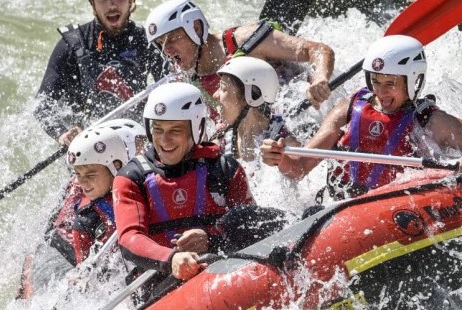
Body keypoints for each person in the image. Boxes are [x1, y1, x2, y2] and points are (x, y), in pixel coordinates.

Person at [261, 34, 462, 200]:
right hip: (342, 210)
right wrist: (280, 158)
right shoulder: (348, 110)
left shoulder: (433, 123)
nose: (381, 91)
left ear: (413, 81)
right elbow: (298, 168)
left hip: (400, 212)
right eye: (375, 81)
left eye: (390, 83)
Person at [114, 83, 288, 282]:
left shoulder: (224, 168)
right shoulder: (131, 178)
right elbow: (129, 239)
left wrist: (212, 238)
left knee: (247, 216)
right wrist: (172, 258)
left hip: (224, 267)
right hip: (163, 280)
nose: (164, 140)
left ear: (195, 128)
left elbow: (252, 225)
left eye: (175, 130)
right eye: (158, 130)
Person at [34, 0, 165, 146]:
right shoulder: (71, 44)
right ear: (92, 3)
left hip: (136, 140)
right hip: (88, 145)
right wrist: (63, 134)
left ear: (132, 0)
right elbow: (43, 106)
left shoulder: (147, 42)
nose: (112, 5)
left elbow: (173, 89)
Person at [143, 0, 334, 110]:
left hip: (304, 108)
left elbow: (318, 50)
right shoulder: (184, 79)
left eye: (173, 38)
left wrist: (320, 79)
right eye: (161, 43)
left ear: (196, 28)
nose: (167, 50)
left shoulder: (246, 40)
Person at [67, 120, 145, 264]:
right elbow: (84, 270)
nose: (82, 182)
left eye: (90, 175)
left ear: (116, 166)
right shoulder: (86, 219)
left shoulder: (144, 185)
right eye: (78, 174)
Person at [211, 56, 299, 161]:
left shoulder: (287, 146)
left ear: (251, 98)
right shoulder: (220, 143)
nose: (214, 95)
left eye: (223, 88)